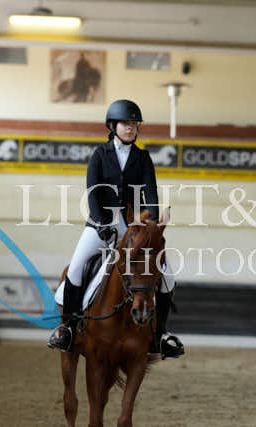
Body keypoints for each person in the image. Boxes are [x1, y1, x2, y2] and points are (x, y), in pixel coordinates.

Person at [48, 99, 184, 359]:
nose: (131, 128)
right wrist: (102, 225)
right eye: (125, 123)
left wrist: (152, 224)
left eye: (134, 124)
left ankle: (161, 334)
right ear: (112, 126)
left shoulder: (143, 158)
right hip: (100, 224)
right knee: (76, 268)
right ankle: (68, 328)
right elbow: (93, 192)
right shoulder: (100, 155)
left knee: (167, 275)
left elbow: (150, 193)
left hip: (134, 227)